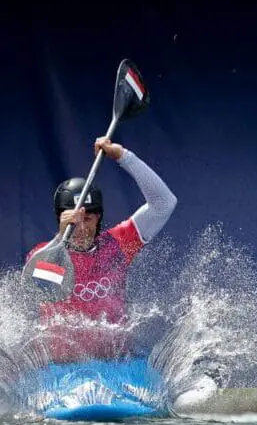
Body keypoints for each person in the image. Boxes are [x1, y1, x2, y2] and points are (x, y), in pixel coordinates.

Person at [27, 137, 178, 363]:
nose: (80, 227)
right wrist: (61, 236)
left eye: (87, 218)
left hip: (117, 365)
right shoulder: (43, 254)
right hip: (61, 372)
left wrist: (123, 156)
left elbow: (164, 203)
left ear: (99, 218)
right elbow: (35, 289)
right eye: (72, 220)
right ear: (60, 219)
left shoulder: (117, 244)